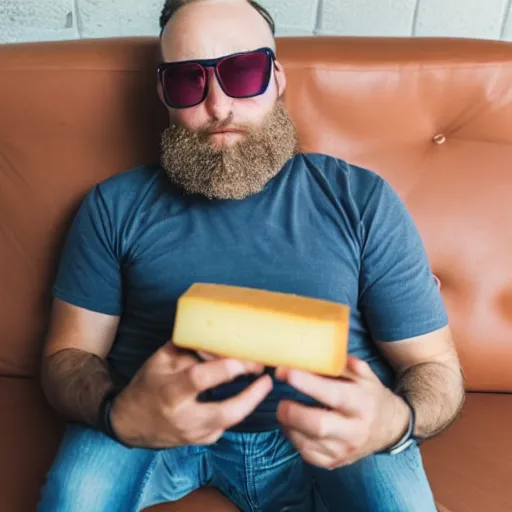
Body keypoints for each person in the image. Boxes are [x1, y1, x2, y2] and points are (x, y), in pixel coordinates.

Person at [37, 0, 465, 511]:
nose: (219, 106)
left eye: (243, 71)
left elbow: (435, 366)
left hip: (329, 428)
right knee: (74, 498)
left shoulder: (360, 200)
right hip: (157, 422)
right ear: (163, 93)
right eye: (187, 81)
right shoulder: (114, 206)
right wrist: (117, 412)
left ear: (277, 77)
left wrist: (396, 422)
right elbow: (67, 357)